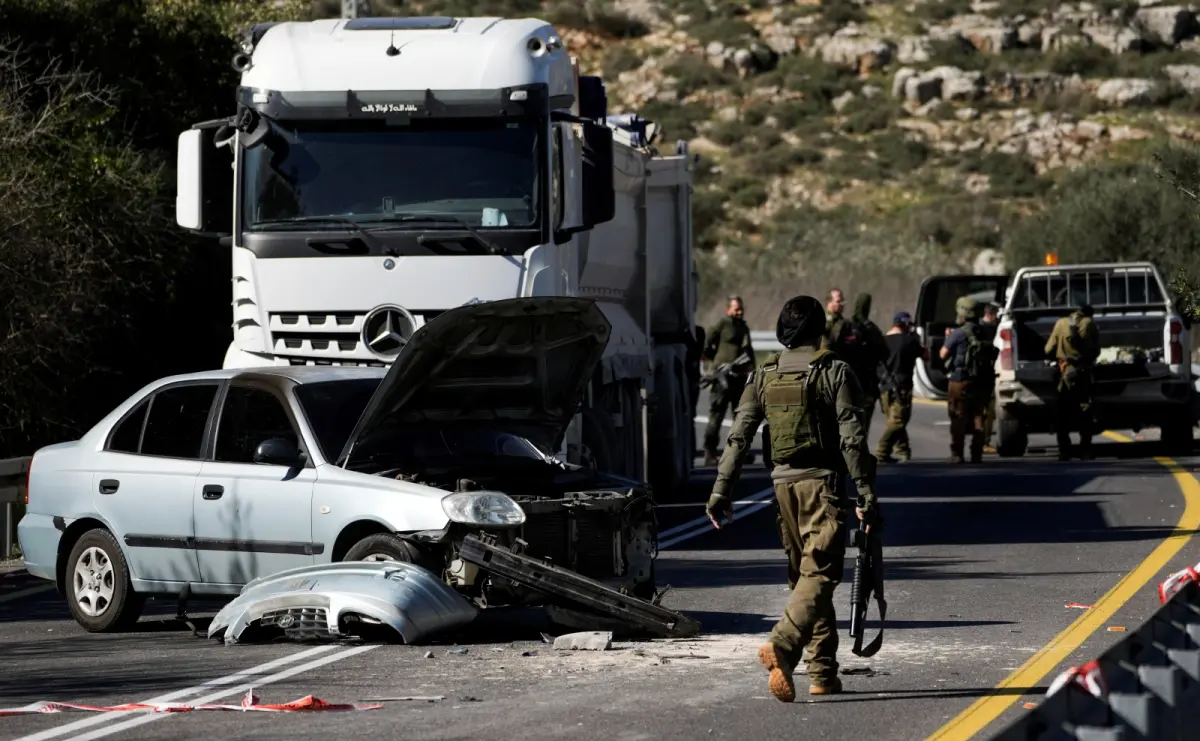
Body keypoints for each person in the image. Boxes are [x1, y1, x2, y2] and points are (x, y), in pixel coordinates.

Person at [705, 295, 880, 702]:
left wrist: (720, 490)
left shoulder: (764, 374)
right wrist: (866, 493)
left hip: (782, 487)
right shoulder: (834, 370)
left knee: (807, 577)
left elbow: (739, 435)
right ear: (820, 328)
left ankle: (822, 673)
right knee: (820, 574)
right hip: (823, 485)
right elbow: (852, 439)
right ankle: (782, 645)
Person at [701, 296, 756, 466]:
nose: (739, 312)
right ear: (728, 309)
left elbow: (748, 350)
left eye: (741, 309)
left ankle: (738, 452)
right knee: (716, 415)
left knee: (739, 416)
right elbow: (707, 341)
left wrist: (752, 368)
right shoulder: (723, 324)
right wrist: (712, 362)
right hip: (722, 377)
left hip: (738, 377)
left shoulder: (743, 327)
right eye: (736, 309)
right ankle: (710, 454)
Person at [825, 293, 889, 439]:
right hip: (849, 380)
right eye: (838, 301)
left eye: (842, 301)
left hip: (854, 380)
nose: (841, 304)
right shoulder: (844, 326)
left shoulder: (848, 326)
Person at [1045, 303, 1100, 460]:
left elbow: (1048, 349)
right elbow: (1095, 350)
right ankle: (1085, 449)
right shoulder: (1089, 323)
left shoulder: (1061, 323)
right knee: (1085, 409)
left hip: (1064, 371)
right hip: (1082, 371)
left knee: (1062, 411)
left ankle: (1064, 450)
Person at [939, 297, 989, 463]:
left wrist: (948, 338)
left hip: (959, 380)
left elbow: (943, 354)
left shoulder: (958, 333)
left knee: (958, 416)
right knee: (978, 416)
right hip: (980, 381)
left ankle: (957, 454)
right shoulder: (984, 331)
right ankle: (977, 453)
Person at [876, 311, 929, 463]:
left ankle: (903, 451)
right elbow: (926, 356)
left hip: (884, 387)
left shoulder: (881, 341)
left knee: (894, 421)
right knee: (898, 422)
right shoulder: (909, 341)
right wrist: (918, 341)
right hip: (902, 387)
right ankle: (881, 451)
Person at [978, 303, 1000, 453]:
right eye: (996, 315)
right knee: (986, 411)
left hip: (985, 373)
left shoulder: (978, 328)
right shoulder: (983, 330)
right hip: (983, 374)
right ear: (989, 314)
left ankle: (981, 443)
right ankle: (982, 443)